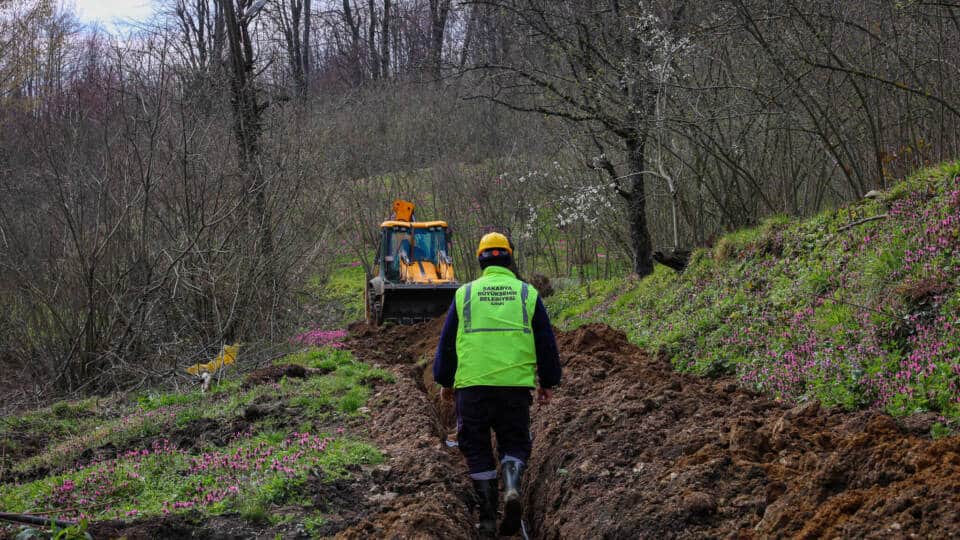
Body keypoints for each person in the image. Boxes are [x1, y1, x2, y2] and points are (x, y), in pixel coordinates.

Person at [433, 232, 562, 537]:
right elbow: (546, 342)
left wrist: (444, 380)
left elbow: (448, 344)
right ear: (509, 258)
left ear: (480, 260)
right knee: (514, 441)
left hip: (473, 388)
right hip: (514, 388)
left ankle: (488, 516)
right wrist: (548, 381)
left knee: (475, 446)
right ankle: (513, 487)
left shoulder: (464, 294)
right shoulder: (527, 294)